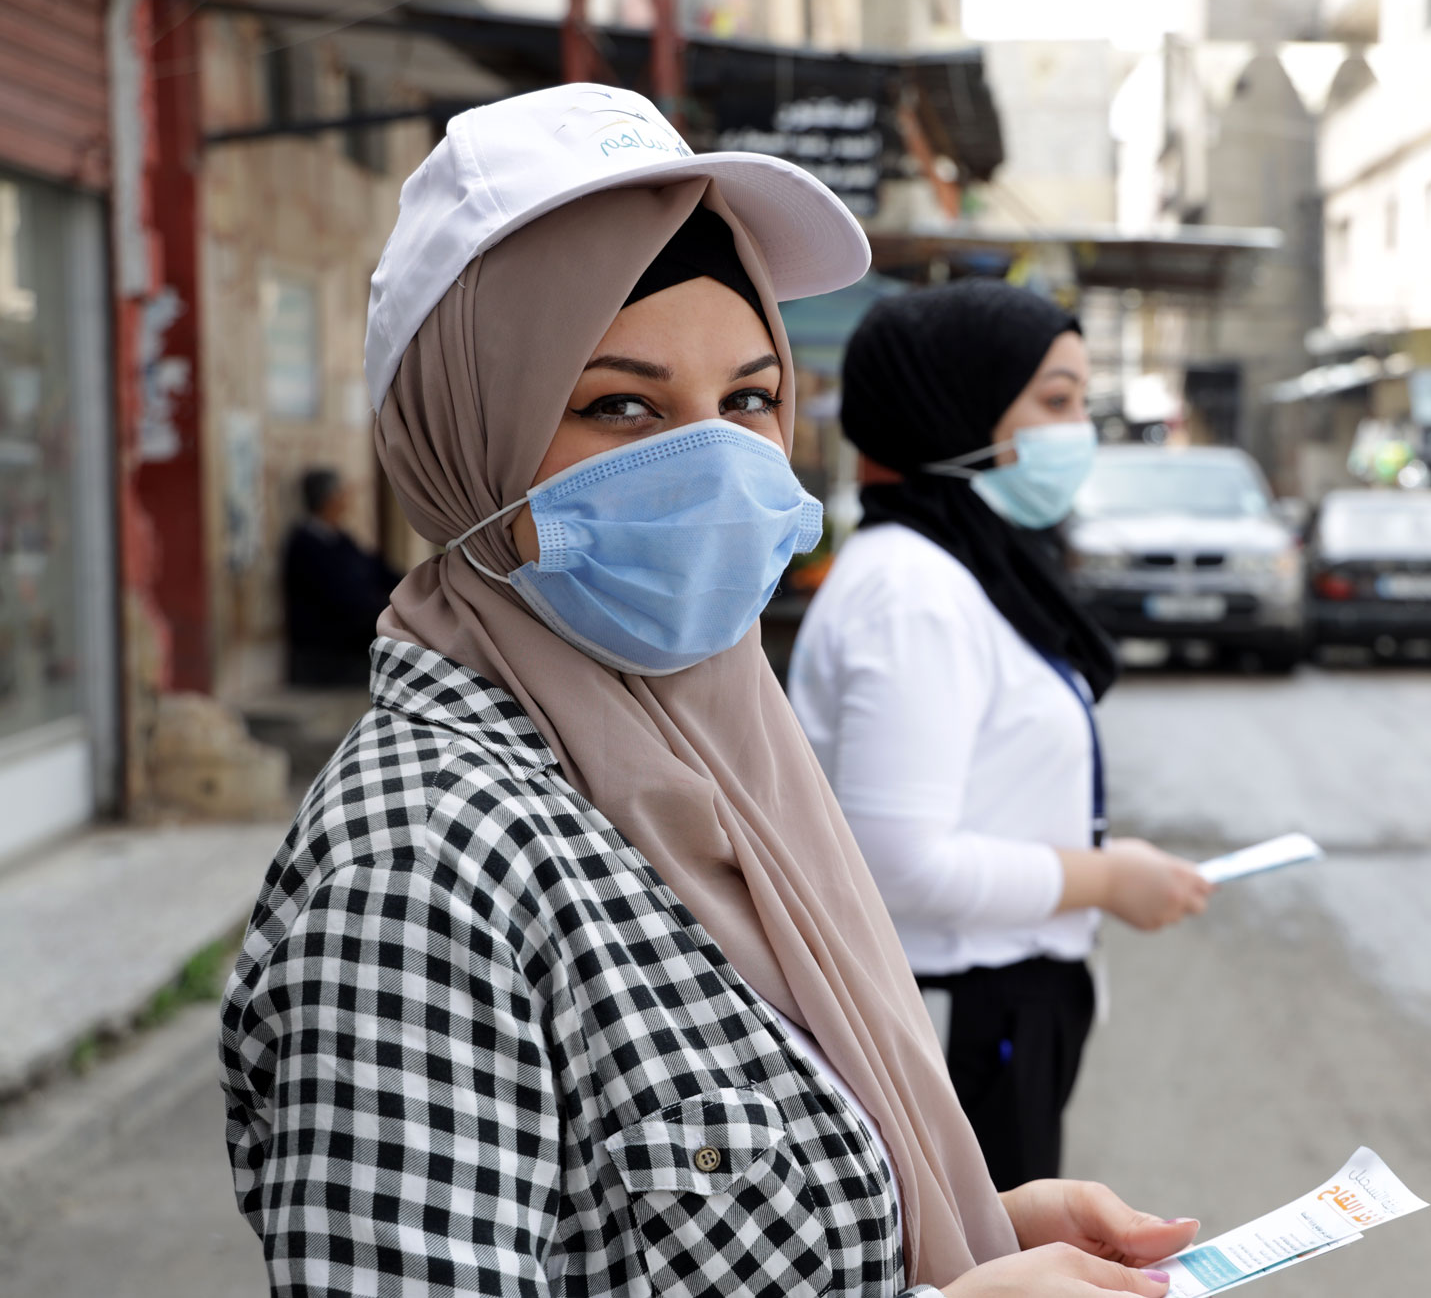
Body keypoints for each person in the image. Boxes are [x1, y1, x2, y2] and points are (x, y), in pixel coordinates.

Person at [218, 85, 1199, 1298]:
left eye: (746, 401)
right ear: (466, 436)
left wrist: (970, 1220)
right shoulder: (422, 860)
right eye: (619, 404)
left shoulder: (728, 756)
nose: (717, 461)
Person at [788, 280, 1212, 1192]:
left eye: (1080, 403)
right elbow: (898, 862)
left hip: (999, 1007)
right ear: (953, 404)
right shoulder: (914, 594)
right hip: (957, 1019)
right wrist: (1105, 876)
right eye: (1053, 401)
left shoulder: (959, 569)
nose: (1076, 432)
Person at [280, 466, 398, 686]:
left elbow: (379, 570)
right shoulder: (305, 545)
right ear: (329, 500)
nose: (347, 500)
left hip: (354, 631)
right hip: (327, 647)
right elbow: (340, 597)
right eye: (342, 494)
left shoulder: (341, 539)